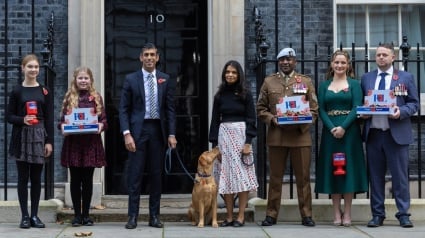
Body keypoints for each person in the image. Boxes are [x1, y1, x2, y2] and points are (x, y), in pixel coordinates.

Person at [257, 48, 318, 227]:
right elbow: (260, 108)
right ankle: (271, 215)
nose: (285, 62)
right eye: (282, 59)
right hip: (277, 136)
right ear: (278, 62)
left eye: (289, 59)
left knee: (303, 178)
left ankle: (306, 215)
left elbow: (314, 109)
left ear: (295, 62)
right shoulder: (269, 82)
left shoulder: (305, 81)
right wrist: (272, 119)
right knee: (275, 178)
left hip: (300, 136)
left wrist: (303, 123)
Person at [119, 42, 177, 229]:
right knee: (135, 175)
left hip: (158, 131)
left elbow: (170, 109)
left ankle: (154, 216)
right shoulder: (131, 79)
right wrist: (127, 134)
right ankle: (133, 216)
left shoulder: (165, 79)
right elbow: (124, 109)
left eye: (153, 55)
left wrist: (171, 133)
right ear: (141, 57)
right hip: (138, 131)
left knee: (156, 176)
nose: (150, 58)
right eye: (146, 55)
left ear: (157, 57)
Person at [360, 43, 419, 228]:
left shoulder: (405, 77)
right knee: (375, 177)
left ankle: (403, 214)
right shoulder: (366, 78)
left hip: (397, 135)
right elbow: (363, 103)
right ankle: (378, 215)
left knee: (400, 177)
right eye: (378, 55)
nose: (381, 58)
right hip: (374, 135)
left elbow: (414, 104)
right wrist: (363, 113)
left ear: (393, 57)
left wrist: (400, 112)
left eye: (385, 54)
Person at [314, 50, 368, 226]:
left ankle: (348, 213)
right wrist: (332, 128)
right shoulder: (323, 86)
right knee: (334, 171)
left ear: (348, 65)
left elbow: (357, 107)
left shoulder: (354, 84)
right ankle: (336, 212)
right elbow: (321, 109)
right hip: (331, 134)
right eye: (336, 62)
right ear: (331, 64)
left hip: (349, 132)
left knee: (348, 171)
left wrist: (343, 127)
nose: (339, 65)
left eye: (343, 62)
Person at [209, 60, 259, 228]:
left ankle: (241, 216)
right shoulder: (219, 95)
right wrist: (215, 145)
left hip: (241, 137)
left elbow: (252, 118)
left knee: (242, 178)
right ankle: (229, 216)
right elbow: (215, 120)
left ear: (239, 75)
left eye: (234, 72)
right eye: (227, 72)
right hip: (224, 138)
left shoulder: (246, 94)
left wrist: (248, 142)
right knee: (226, 178)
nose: (230, 75)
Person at [6, 54, 53, 229]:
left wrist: (49, 141)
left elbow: (48, 117)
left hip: (39, 135)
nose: (33, 70)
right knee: (22, 178)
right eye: (30, 67)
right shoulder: (17, 91)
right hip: (22, 136)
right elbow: (9, 116)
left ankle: (34, 215)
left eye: (36, 67)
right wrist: (22, 119)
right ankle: (24, 216)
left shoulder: (44, 91)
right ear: (23, 68)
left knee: (36, 178)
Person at [59, 66, 107, 227]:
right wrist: (64, 129)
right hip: (73, 145)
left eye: (86, 78)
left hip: (90, 145)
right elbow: (61, 122)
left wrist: (100, 126)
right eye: (80, 78)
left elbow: (104, 121)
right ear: (75, 80)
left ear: (91, 80)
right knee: (75, 180)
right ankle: (77, 216)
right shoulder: (69, 97)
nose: (83, 81)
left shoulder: (96, 98)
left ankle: (86, 215)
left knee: (87, 181)